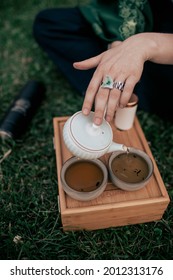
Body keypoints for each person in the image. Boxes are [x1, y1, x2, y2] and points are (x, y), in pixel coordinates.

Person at [33, 0, 173, 124]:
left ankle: (129, 89)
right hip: (146, 15)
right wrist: (118, 42)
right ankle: (121, 81)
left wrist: (146, 45)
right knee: (50, 23)